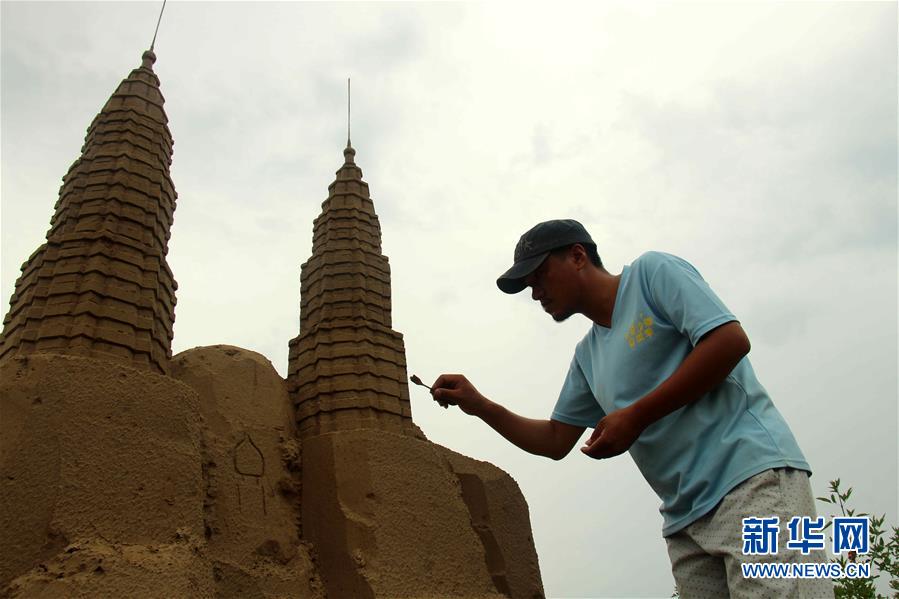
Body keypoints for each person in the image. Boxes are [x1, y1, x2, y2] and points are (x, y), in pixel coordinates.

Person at [431, 219, 833, 598]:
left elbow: (729, 341)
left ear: (577, 256)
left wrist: (636, 416)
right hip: (685, 521)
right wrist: (480, 405)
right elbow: (555, 440)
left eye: (540, 276)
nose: (536, 292)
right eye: (528, 286)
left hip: (749, 481)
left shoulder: (651, 274)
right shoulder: (588, 356)